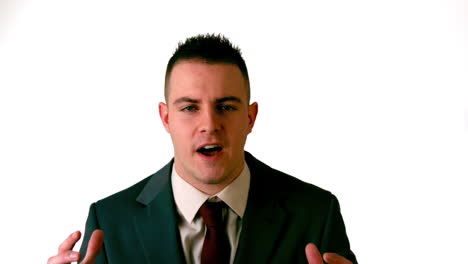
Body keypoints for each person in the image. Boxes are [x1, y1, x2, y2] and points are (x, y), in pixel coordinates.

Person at [47, 34, 358, 264]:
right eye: (189, 108)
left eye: (225, 106)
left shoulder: (317, 213)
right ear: (165, 118)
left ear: (250, 118)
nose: (209, 124)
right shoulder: (110, 222)